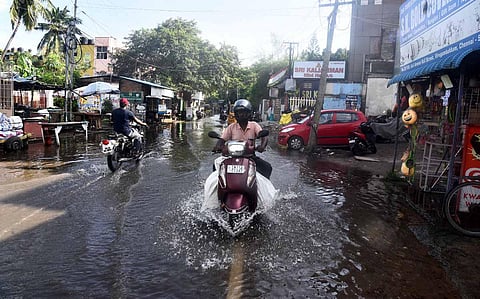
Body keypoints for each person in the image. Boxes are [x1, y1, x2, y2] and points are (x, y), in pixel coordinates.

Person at [213, 99, 272, 179]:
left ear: (248, 113)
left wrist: (262, 146)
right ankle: (217, 186)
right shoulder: (231, 127)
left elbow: (263, 136)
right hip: (232, 156)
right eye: (239, 113)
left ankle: (265, 189)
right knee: (216, 165)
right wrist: (218, 146)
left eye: (243, 112)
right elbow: (222, 139)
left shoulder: (254, 125)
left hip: (250, 156)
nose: (241, 115)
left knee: (267, 167)